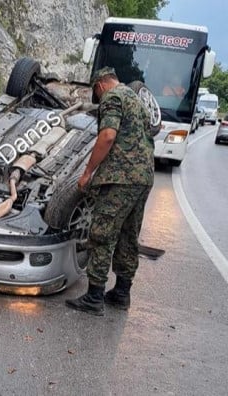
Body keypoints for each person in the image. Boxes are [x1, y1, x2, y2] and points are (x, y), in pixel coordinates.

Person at [66, 67, 154, 316]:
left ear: (100, 85)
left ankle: (94, 297)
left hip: (120, 179)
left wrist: (87, 173)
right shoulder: (136, 99)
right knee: (128, 235)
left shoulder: (112, 97)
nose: (98, 97)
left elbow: (107, 136)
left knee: (102, 233)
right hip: (143, 178)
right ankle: (122, 293)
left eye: (96, 92)